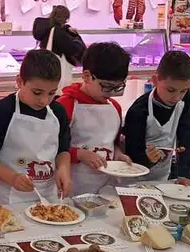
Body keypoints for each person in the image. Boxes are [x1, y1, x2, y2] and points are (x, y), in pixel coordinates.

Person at [0, 49, 72, 204]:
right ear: (20, 81)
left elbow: (62, 149)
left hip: (49, 197)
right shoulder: (3, 112)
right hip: (10, 199)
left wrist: (63, 169)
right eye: (37, 92)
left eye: (51, 93)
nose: (44, 100)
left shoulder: (57, 112)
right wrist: (12, 178)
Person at [56, 42, 133, 196]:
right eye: (106, 86)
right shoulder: (66, 105)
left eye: (117, 87)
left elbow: (113, 143)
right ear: (86, 76)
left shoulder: (114, 108)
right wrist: (79, 154)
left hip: (105, 184)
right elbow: (52, 147)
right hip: (73, 185)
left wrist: (119, 155)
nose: (111, 92)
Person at [123, 51, 190, 182]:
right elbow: (131, 153)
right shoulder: (138, 111)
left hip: (163, 177)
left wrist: (184, 175)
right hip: (133, 179)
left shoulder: (183, 100)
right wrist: (146, 158)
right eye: (170, 90)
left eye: (183, 91)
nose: (176, 97)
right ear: (155, 80)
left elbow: (188, 136)